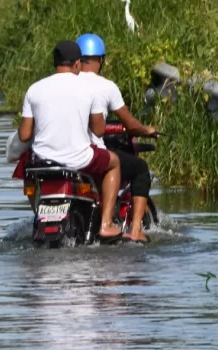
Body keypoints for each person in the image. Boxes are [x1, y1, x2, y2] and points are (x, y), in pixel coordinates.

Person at [17, 39, 123, 241]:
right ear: (77, 64)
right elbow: (99, 130)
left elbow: (24, 135)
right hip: (79, 159)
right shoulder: (88, 89)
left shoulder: (34, 89)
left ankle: (39, 214)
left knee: (26, 167)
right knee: (115, 162)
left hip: (42, 160)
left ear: (55, 63)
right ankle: (107, 224)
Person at [76, 33, 158, 244]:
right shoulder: (106, 86)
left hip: (61, 153)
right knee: (140, 168)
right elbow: (130, 124)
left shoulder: (64, 83)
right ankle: (136, 229)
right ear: (101, 60)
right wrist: (146, 130)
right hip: (90, 153)